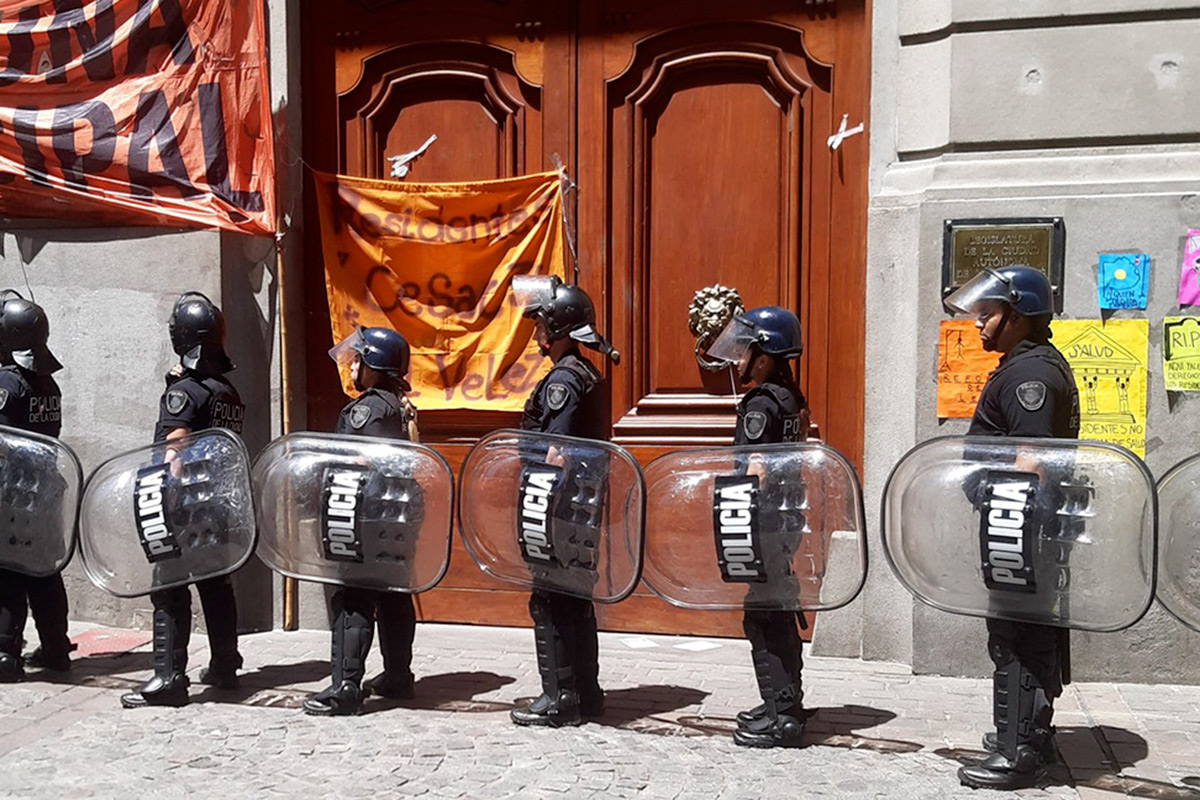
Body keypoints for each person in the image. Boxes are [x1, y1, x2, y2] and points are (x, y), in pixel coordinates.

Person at [944, 266, 1079, 789]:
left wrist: (1009, 532)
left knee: (1015, 635)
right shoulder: (1027, 365)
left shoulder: (1029, 377)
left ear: (1019, 315)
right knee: (1029, 630)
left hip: (1018, 522)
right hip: (1019, 521)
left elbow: (1032, 461)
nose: (978, 323)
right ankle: (1029, 731)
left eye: (988, 313)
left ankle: (1018, 750)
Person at [121, 293, 246, 708]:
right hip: (218, 503)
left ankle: (168, 678)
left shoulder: (185, 393)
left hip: (184, 505)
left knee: (169, 588)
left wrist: (164, 500)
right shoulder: (225, 390)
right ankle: (226, 665)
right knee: (217, 586)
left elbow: (174, 450)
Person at [509, 276, 619, 728]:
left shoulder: (564, 380)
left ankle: (559, 697)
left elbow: (558, 452)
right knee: (575, 599)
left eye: (540, 324)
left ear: (557, 326)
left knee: (551, 600)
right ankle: (586, 693)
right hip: (579, 507)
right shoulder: (585, 374)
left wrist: (540, 509)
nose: (535, 333)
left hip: (557, 506)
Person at [708, 306, 811, 748]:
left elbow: (756, 471)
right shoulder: (791, 397)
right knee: (779, 609)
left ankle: (782, 718)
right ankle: (782, 701)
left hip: (764, 521)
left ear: (764, 356)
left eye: (744, 350)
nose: (736, 360)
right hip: (786, 518)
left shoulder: (760, 404)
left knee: (765, 615)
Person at [303, 326, 420, 716]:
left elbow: (359, 461)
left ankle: (345, 687)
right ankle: (398, 675)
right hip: (397, 517)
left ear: (374, 364)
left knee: (353, 597)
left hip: (367, 516)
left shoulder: (365, 410)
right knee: (393, 596)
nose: (352, 365)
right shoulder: (400, 406)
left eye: (358, 358)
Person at [0, 293, 73, 681]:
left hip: (13, 492)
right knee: (44, 571)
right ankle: (57, 647)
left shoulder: (7, 384)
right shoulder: (48, 384)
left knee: (8, 573)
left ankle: (5, 654)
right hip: (45, 490)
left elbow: (3, 443)